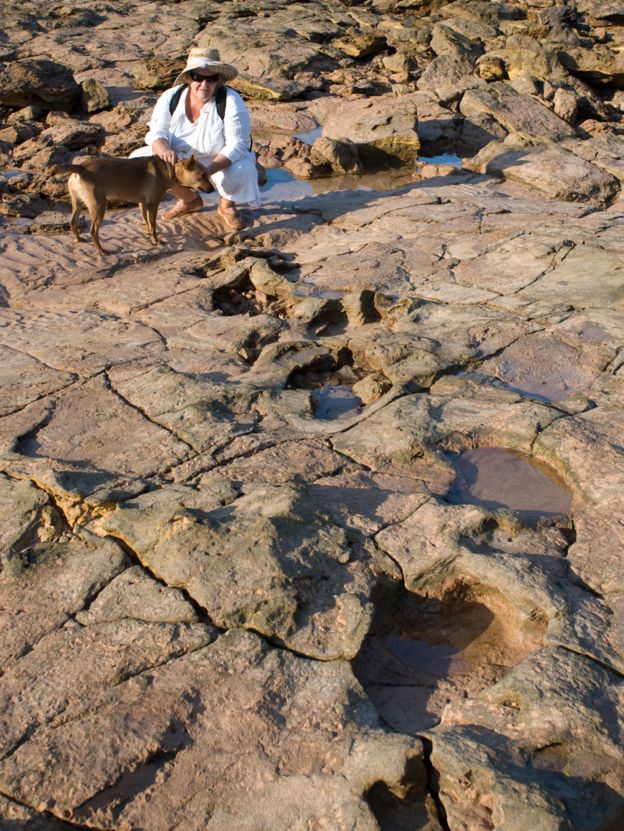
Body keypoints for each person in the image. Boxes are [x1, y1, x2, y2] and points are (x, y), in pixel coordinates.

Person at [130, 47, 261, 230]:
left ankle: (226, 205)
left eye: (211, 78)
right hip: (181, 159)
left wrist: (206, 171)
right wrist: (164, 150)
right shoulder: (171, 97)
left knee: (242, 168)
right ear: (189, 78)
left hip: (219, 159)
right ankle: (189, 200)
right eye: (198, 77)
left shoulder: (231, 100)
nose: (204, 84)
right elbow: (156, 132)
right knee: (138, 160)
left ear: (218, 80)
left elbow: (238, 145)